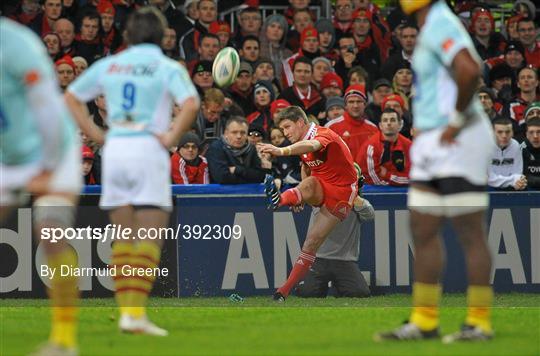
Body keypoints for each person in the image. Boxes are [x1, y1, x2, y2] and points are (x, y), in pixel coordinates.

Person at [65, 7, 200, 336]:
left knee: (124, 238)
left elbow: (70, 97)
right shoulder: (167, 66)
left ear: (128, 35)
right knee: (150, 236)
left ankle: (128, 312)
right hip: (147, 148)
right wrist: (170, 135)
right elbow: (192, 104)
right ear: (162, 35)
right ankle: (135, 314)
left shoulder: (110, 64)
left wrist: (96, 135)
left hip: (116, 150)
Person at [375, 0, 497, 343]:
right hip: (433, 138)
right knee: (422, 226)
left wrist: (456, 121)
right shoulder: (432, 25)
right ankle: (425, 320)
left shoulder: (441, 21)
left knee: (468, 229)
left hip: (458, 136)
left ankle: (479, 321)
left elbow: (470, 70)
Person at [1, 18, 82, 355]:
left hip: (54, 148)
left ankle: (63, 341)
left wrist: (47, 167)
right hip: (7, 156)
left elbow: (48, 108)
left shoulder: (18, 45)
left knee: (50, 229)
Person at [258, 106, 360, 301]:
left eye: (287, 127)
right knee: (311, 182)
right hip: (320, 184)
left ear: (300, 122)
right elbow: (306, 167)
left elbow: (312, 147)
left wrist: (281, 150)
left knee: (311, 242)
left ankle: (284, 290)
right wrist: (301, 197)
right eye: (283, 130)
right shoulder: (300, 142)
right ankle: (279, 200)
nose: (286, 133)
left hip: (342, 191)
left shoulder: (323, 134)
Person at [296, 195, 374, 298]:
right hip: (317, 258)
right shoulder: (320, 195)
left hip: (345, 260)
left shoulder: (357, 202)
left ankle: (339, 285)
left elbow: (370, 215)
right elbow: (307, 191)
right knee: (306, 293)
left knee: (360, 293)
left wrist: (352, 195)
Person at [206, 116, 271, 184]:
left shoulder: (251, 148)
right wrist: (249, 176)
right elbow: (222, 178)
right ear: (226, 133)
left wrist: (237, 169)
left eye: (243, 133)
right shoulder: (216, 148)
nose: (239, 136)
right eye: (234, 132)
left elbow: (261, 176)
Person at [357, 108, 411, 186]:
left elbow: (414, 177)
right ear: (380, 125)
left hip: (403, 190)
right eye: (385, 120)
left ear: (400, 124)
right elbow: (373, 180)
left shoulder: (408, 145)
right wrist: (396, 182)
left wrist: (387, 175)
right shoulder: (371, 146)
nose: (389, 123)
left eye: (392, 120)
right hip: (371, 192)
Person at [488, 118, 526, 190]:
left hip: (510, 187)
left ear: (512, 133)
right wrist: (512, 181)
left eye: (508, 132)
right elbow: (489, 179)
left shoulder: (515, 145)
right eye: (500, 132)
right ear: (492, 133)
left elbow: (518, 174)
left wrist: (519, 181)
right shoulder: (485, 146)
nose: (504, 136)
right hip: (489, 188)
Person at [521, 118, 540, 189]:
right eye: (531, 132)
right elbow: (523, 176)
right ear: (527, 135)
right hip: (527, 191)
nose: (535, 136)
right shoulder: (521, 149)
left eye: (539, 132)